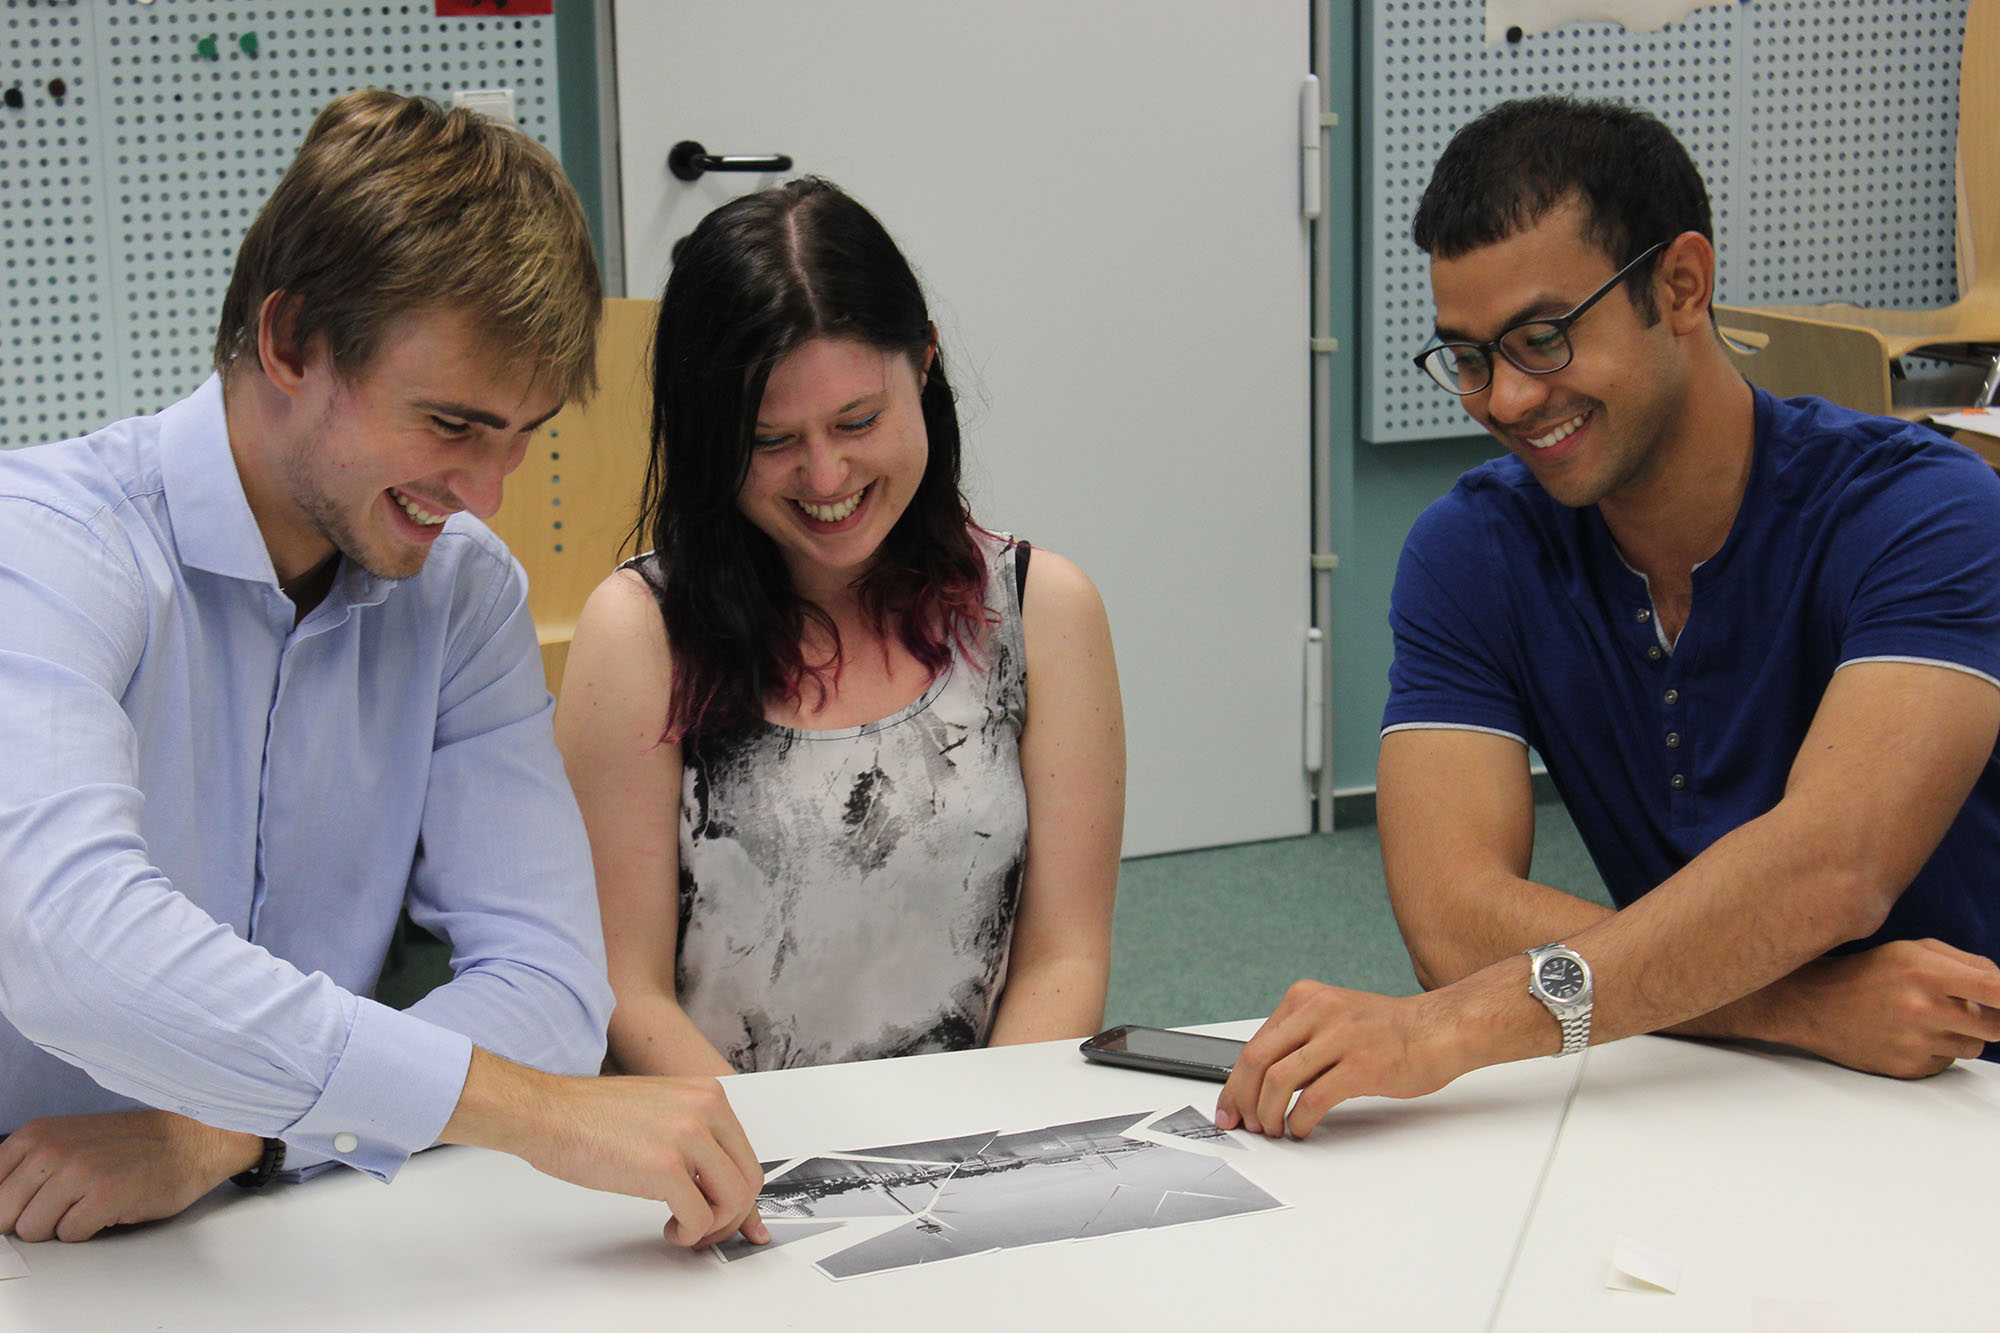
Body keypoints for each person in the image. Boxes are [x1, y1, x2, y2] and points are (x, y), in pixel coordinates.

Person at [0, 90, 766, 1248]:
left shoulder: (461, 592)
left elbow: (551, 991)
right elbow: (74, 949)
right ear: (291, 341)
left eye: (524, 434)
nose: (487, 492)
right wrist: (536, 1116)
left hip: (265, 1228)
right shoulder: (45, 547)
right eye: (454, 424)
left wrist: (232, 1135)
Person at [1218, 95, 2000, 1140]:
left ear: (1678, 285)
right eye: (1465, 356)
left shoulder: (1921, 509)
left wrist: (1451, 1031)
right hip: (1717, 1081)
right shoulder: (1473, 550)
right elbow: (1449, 917)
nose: (1499, 398)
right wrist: (1801, 1012)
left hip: (1960, 1087)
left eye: (1540, 339)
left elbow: (1832, 870)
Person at [553, 178, 1124, 1075]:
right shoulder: (641, 634)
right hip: (733, 1166)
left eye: (858, 420)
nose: (826, 477)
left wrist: (977, 1149)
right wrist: (782, 1170)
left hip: (979, 1147)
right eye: (772, 439)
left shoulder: (1041, 612)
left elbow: (1065, 958)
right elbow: (625, 990)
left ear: (925, 364)